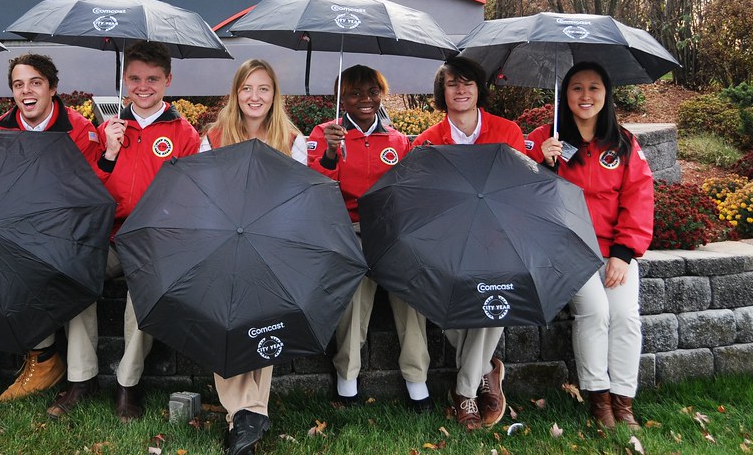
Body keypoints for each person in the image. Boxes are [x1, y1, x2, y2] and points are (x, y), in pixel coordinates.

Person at [0, 54, 103, 408]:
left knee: (53, 263)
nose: (27, 91)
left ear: (53, 88)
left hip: (65, 230)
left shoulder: (79, 131)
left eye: (35, 83)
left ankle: (42, 360)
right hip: (13, 229)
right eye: (18, 85)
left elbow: (89, 197)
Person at [525, 61, 653, 430]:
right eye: (576, 88)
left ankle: (623, 402)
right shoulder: (544, 138)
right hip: (569, 252)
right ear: (564, 95)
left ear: (606, 94)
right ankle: (598, 401)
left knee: (626, 317)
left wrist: (623, 254)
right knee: (595, 312)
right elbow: (522, 194)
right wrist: (541, 163)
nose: (585, 96)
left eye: (594, 87)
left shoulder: (624, 143)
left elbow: (639, 197)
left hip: (615, 252)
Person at [410, 56, 526, 431]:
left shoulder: (507, 133)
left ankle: (465, 392)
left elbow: (519, 192)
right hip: (448, 243)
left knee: (494, 294)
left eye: (468, 83)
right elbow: (421, 201)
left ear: (479, 89)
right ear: (442, 94)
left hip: (497, 240)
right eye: (452, 84)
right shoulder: (427, 142)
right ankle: (486, 368)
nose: (460, 90)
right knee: (444, 295)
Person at [307, 65, 431, 412]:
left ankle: (417, 380)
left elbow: (407, 192)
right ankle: (347, 379)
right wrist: (331, 154)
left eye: (373, 92)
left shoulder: (397, 139)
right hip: (349, 231)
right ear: (340, 99)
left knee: (411, 296)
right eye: (354, 93)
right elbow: (315, 187)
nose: (365, 100)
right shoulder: (323, 133)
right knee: (353, 302)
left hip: (390, 233)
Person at [200, 59, 307, 455]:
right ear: (235, 93)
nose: (255, 96)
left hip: (273, 244)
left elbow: (299, 201)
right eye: (247, 88)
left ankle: (243, 416)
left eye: (263, 88)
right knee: (225, 318)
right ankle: (248, 413)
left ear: (274, 94)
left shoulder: (293, 139)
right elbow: (203, 195)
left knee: (265, 320)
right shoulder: (213, 138)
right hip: (224, 244)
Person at [95, 40, 200, 421]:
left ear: (168, 80)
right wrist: (108, 153)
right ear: (125, 79)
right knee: (73, 274)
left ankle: (127, 385)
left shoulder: (183, 132)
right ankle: (78, 376)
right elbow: (91, 190)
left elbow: (190, 194)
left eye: (153, 79)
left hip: (155, 239)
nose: (143, 86)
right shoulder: (108, 128)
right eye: (135, 78)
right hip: (111, 236)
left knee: (141, 298)